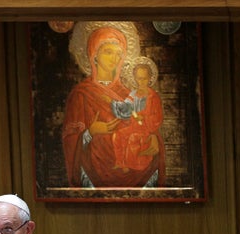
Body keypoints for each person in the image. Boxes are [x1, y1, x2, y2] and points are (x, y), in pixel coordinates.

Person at [62, 25, 164, 188]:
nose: (114, 58)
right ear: (94, 54)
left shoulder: (130, 93)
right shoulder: (81, 94)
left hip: (136, 165)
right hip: (94, 170)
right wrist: (91, 132)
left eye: (118, 54)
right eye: (108, 52)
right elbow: (70, 140)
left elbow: (144, 123)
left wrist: (152, 137)